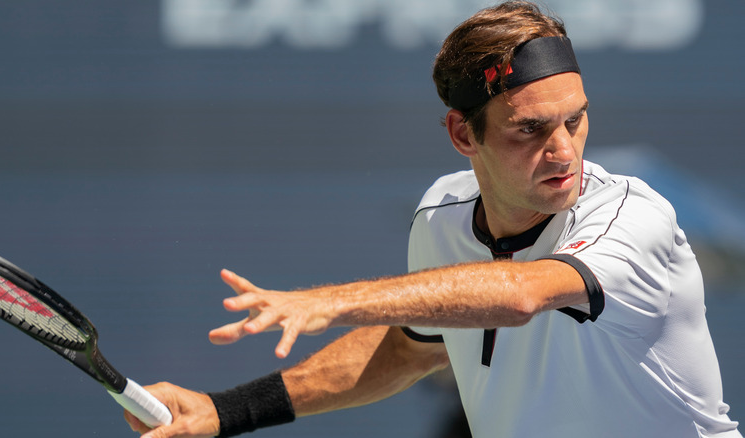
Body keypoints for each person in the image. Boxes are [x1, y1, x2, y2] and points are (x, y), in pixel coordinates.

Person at [124, 2, 741, 437]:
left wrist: (336, 302)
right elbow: (412, 347)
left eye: (574, 119)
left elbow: (523, 294)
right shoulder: (441, 219)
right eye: (529, 129)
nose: (563, 150)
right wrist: (223, 410)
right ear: (460, 133)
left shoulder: (633, 213)